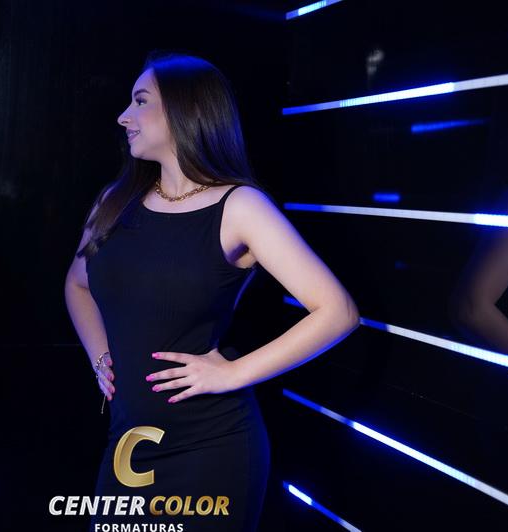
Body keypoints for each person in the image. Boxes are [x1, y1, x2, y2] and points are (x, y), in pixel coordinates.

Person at [64, 51, 360, 531]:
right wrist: (101, 358)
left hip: (210, 448)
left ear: (186, 109)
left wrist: (233, 372)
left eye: (140, 101)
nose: (123, 116)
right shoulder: (115, 200)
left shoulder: (240, 206)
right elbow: (77, 285)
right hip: (128, 444)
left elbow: (337, 311)